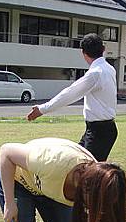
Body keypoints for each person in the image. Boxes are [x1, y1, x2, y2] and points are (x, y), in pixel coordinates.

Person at [26, 33, 118, 162]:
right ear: (103, 50)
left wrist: (42, 109)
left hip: (99, 132)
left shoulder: (95, 74)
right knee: (78, 164)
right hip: (100, 129)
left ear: (83, 53)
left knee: (88, 173)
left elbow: (70, 94)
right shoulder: (109, 69)